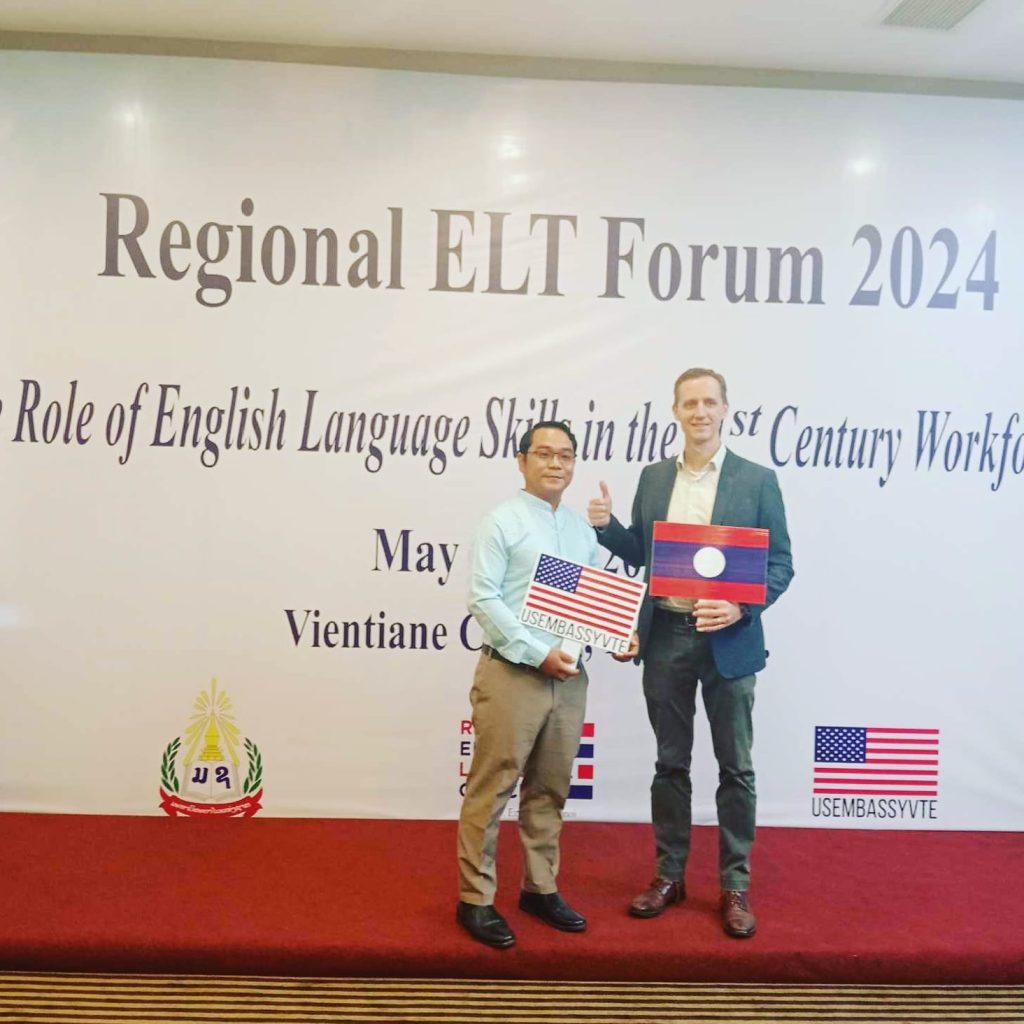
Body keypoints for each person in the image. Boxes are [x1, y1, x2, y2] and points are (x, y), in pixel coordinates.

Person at [587, 368, 793, 939]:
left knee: (737, 769)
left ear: (726, 409)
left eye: (709, 402)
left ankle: (734, 886)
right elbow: (642, 553)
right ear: (675, 412)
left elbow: (780, 565)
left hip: (729, 640)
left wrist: (741, 609)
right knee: (670, 764)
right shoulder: (655, 478)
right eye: (688, 403)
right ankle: (669, 876)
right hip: (667, 635)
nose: (699, 411)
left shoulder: (757, 480)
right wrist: (607, 529)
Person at [456, 420, 599, 949]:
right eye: (544, 454)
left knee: (550, 790)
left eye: (565, 455)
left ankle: (539, 888)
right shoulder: (502, 522)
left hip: (570, 678)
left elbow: (592, 605)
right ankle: (474, 899)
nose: (556, 463)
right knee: (491, 791)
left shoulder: (583, 532)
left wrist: (620, 635)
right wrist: (538, 654)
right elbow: (484, 600)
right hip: (515, 673)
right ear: (522, 461)